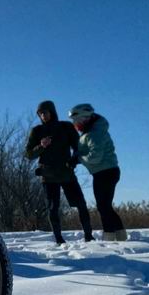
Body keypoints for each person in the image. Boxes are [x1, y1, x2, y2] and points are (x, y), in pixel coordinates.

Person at [25, 100, 94, 244]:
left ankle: (88, 236)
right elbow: (28, 154)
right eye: (40, 113)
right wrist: (41, 146)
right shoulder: (37, 131)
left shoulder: (66, 127)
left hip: (66, 173)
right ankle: (58, 239)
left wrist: (74, 161)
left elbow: (79, 148)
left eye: (45, 112)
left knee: (81, 204)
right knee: (53, 208)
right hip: (48, 176)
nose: (43, 115)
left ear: (52, 111)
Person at [68, 104, 127, 241]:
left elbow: (95, 157)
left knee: (103, 206)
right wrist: (77, 157)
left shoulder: (95, 133)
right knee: (105, 205)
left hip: (105, 172)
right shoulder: (91, 131)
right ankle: (120, 234)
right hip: (104, 172)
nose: (74, 124)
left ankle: (109, 237)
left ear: (85, 118)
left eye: (76, 121)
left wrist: (78, 158)